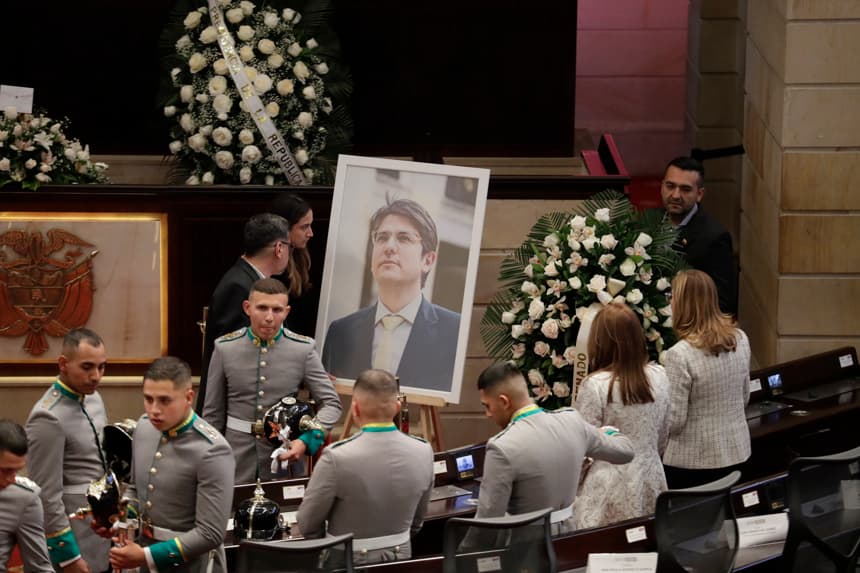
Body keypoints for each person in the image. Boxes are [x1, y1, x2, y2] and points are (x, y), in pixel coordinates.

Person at [100, 357, 234, 573]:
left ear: (188, 397)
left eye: (164, 400)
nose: (154, 410)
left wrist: (146, 556)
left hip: (191, 565)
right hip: (142, 555)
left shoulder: (212, 450)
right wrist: (119, 519)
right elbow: (135, 489)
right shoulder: (144, 428)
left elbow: (210, 533)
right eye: (148, 399)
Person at [202, 278, 342, 483]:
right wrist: (212, 461)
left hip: (284, 461)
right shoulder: (225, 348)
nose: (269, 317)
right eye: (262, 308)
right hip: (235, 460)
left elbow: (331, 404)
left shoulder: (302, 349)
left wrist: (306, 441)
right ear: (247, 308)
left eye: (277, 310)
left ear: (286, 312)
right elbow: (212, 414)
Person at [474, 362, 635, 535]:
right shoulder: (573, 422)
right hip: (569, 541)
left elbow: (488, 523)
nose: (488, 414)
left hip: (525, 549)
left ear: (504, 402)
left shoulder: (501, 447)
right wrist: (605, 432)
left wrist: (460, 556)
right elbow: (626, 452)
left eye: (487, 406)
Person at [297, 369, 434, 565]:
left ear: (355, 409)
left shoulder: (337, 456)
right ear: (397, 407)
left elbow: (308, 523)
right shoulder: (423, 451)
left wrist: (328, 543)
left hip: (345, 559)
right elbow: (418, 520)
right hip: (401, 556)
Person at [322, 198, 460, 392]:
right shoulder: (341, 332)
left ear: (428, 260)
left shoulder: (455, 331)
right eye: (381, 237)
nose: (389, 247)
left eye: (404, 238)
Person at [573, 303, 671, 529]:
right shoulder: (660, 376)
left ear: (599, 341)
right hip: (650, 479)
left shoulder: (596, 385)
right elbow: (664, 433)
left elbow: (583, 449)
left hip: (608, 485)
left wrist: (572, 487)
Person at [26, 328, 111, 573]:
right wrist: (68, 555)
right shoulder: (46, 416)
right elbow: (45, 496)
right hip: (76, 537)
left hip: (102, 530)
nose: (96, 376)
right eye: (87, 367)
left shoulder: (93, 397)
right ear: (63, 364)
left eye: (102, 367)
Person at [663, 270, 751, 489]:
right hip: (737, 454)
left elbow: (674, 421)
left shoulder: (679, 354)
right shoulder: (740, 339)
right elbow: (745, 397)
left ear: (683, 304)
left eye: (672, 296)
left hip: (692, 464)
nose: (670, 302)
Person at [197, 213, 292, 412]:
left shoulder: (246, 280)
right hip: (234, 411)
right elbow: (234, 357)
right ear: (279, 249)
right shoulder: (238, 287)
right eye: (289, 246)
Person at [660, 156, 737, 315]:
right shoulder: (649, 221)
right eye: (670, 186)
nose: (675, 195)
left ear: (700, 194)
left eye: (685, 189)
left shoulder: (714, 237)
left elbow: (723, 302)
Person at [0, 419, 53, 573]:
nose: (11, 479)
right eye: (5, 470)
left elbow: (39, 568)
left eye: (16, 471)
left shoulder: (23, 498)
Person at [272, 194, 318, 337]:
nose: (310, 233)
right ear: (285, 228)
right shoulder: (275, 268)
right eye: (304, 227)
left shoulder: (302, 256)